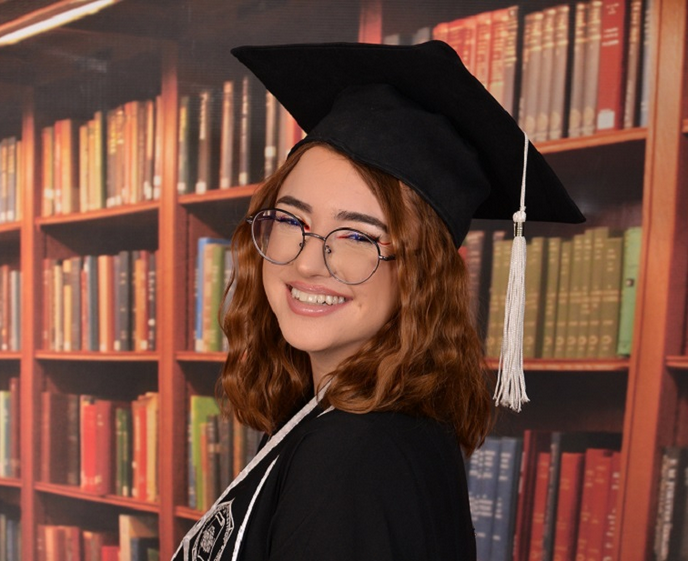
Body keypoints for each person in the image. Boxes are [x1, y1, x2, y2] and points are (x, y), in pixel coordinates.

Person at [174, 41, 584, 561]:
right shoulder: (353, 418)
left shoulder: (352, 455)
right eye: (293, 220)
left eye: (357, 236)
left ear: (420, 273)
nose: (308, 262)